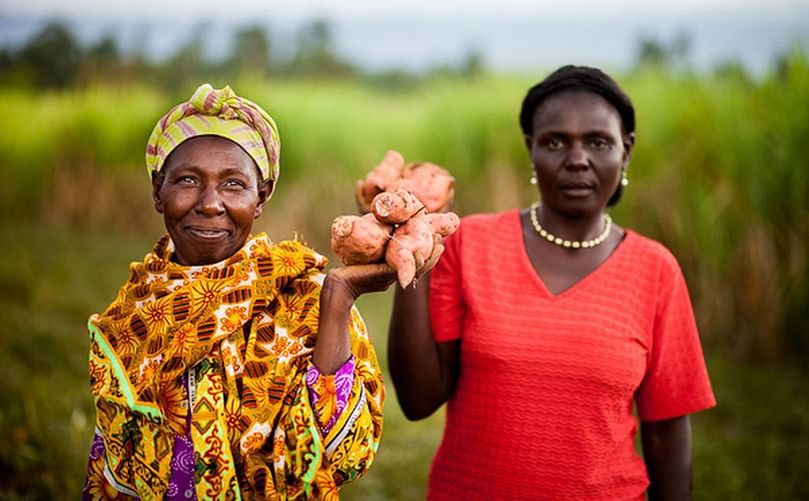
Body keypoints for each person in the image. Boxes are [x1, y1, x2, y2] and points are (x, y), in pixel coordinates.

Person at [387, 65, 717, 500]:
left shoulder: (655, 269)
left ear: (626, 151)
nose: (577, 158)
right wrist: (409, 247)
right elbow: (418, 400)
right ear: (532, 150)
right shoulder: (470, 242)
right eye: (556, 141)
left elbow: (667, 434)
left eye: (598, 142)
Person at [82, 83, 397, 500]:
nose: (210, 203)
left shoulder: (306, 299)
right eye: (188, 180)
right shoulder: (134, 311)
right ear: (158, 190)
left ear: (261, 197)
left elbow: (343, 454)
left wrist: (338, 300)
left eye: (233, 184)